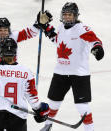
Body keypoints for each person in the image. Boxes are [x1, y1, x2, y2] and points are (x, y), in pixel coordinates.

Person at [35, 2, 104, 131]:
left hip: (79, 74)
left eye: (70, 15)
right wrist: (45, 27)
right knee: (53, 102)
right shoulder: (61, 26)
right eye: (65, 15)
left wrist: (97, 48)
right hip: (60, 71)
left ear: (76, 16)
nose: (67, 17)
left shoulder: (82, 29)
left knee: (82, 106)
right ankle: (48, 125)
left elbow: (95, 41)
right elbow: (57, 40)